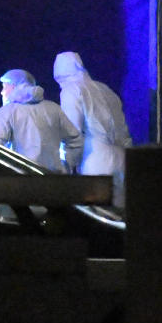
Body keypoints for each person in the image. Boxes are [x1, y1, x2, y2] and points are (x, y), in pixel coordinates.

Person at [53, 51, 133, 207]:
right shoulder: (107, 90)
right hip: (122, 159)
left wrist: (67, 163)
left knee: (98, 217)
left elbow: (72, 133)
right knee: (120, 217)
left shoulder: (71, 90)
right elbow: (124, 131)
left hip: (95, 161)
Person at [0, 69, 83, 174]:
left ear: (13, 86)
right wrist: (65, 165)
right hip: (54, 179)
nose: (2, 92)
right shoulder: (54, 109)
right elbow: (76, 141)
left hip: (20, 180)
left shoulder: (7, 112)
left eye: (4, 87)